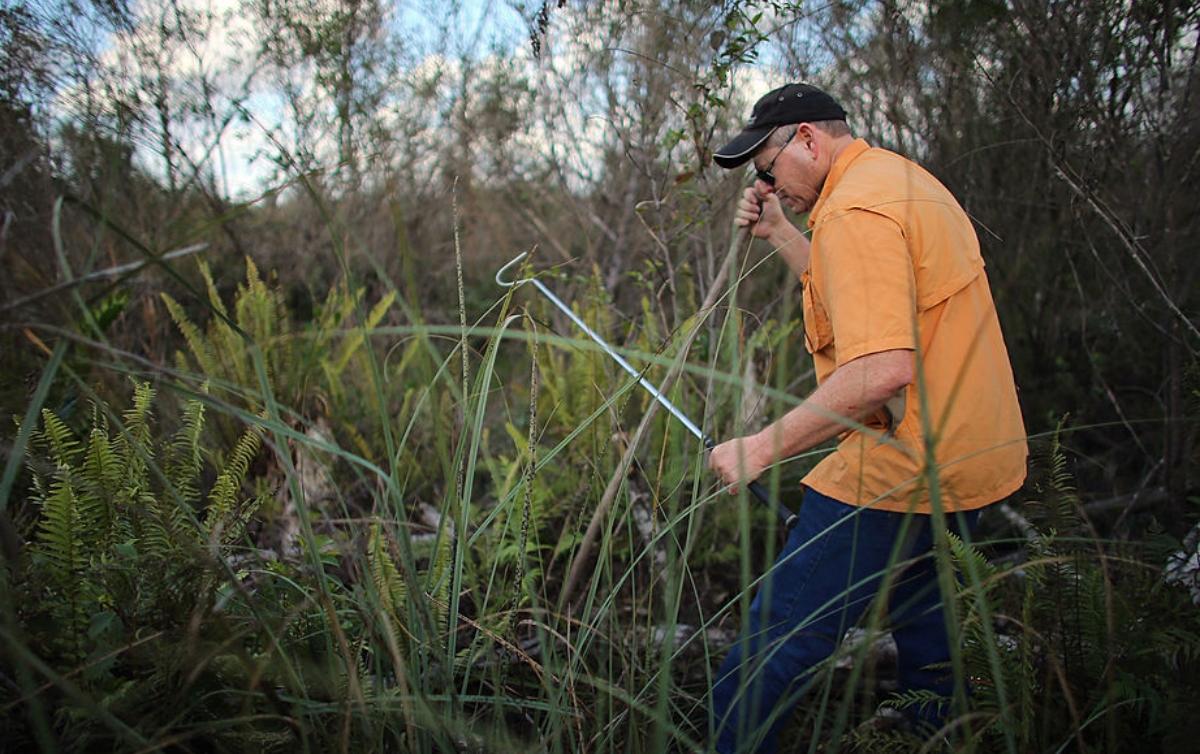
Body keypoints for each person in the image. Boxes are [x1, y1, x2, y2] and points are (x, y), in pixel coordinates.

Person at [705, 83, 1028, 752]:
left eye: (766, 167)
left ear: (807, 140)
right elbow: (870, 299)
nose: (767, 183)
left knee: (772, 647)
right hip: (963, 462)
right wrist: (782, 235)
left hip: (900, 470)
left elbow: (881, 370)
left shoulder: (853, 211)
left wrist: (762, 447)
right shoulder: (901, 182)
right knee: (932, 652)